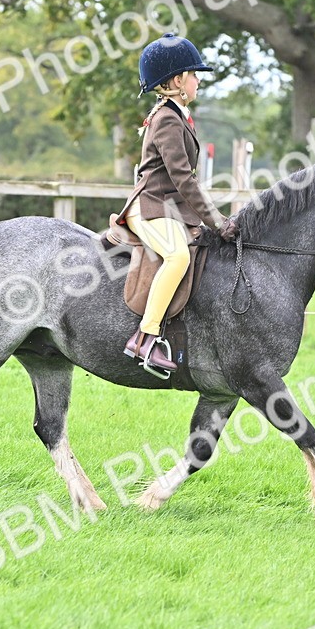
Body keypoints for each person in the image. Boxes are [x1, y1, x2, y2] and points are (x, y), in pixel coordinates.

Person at [115, 33, 236, 374]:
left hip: (167, 206)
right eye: (194, 74)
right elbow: (183, 178)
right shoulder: (167, 119)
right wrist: (216, 220)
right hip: (149, 206)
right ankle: (145, 338)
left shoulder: (176, 114)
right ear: (177, 80)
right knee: (178, 255)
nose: (198, 80)